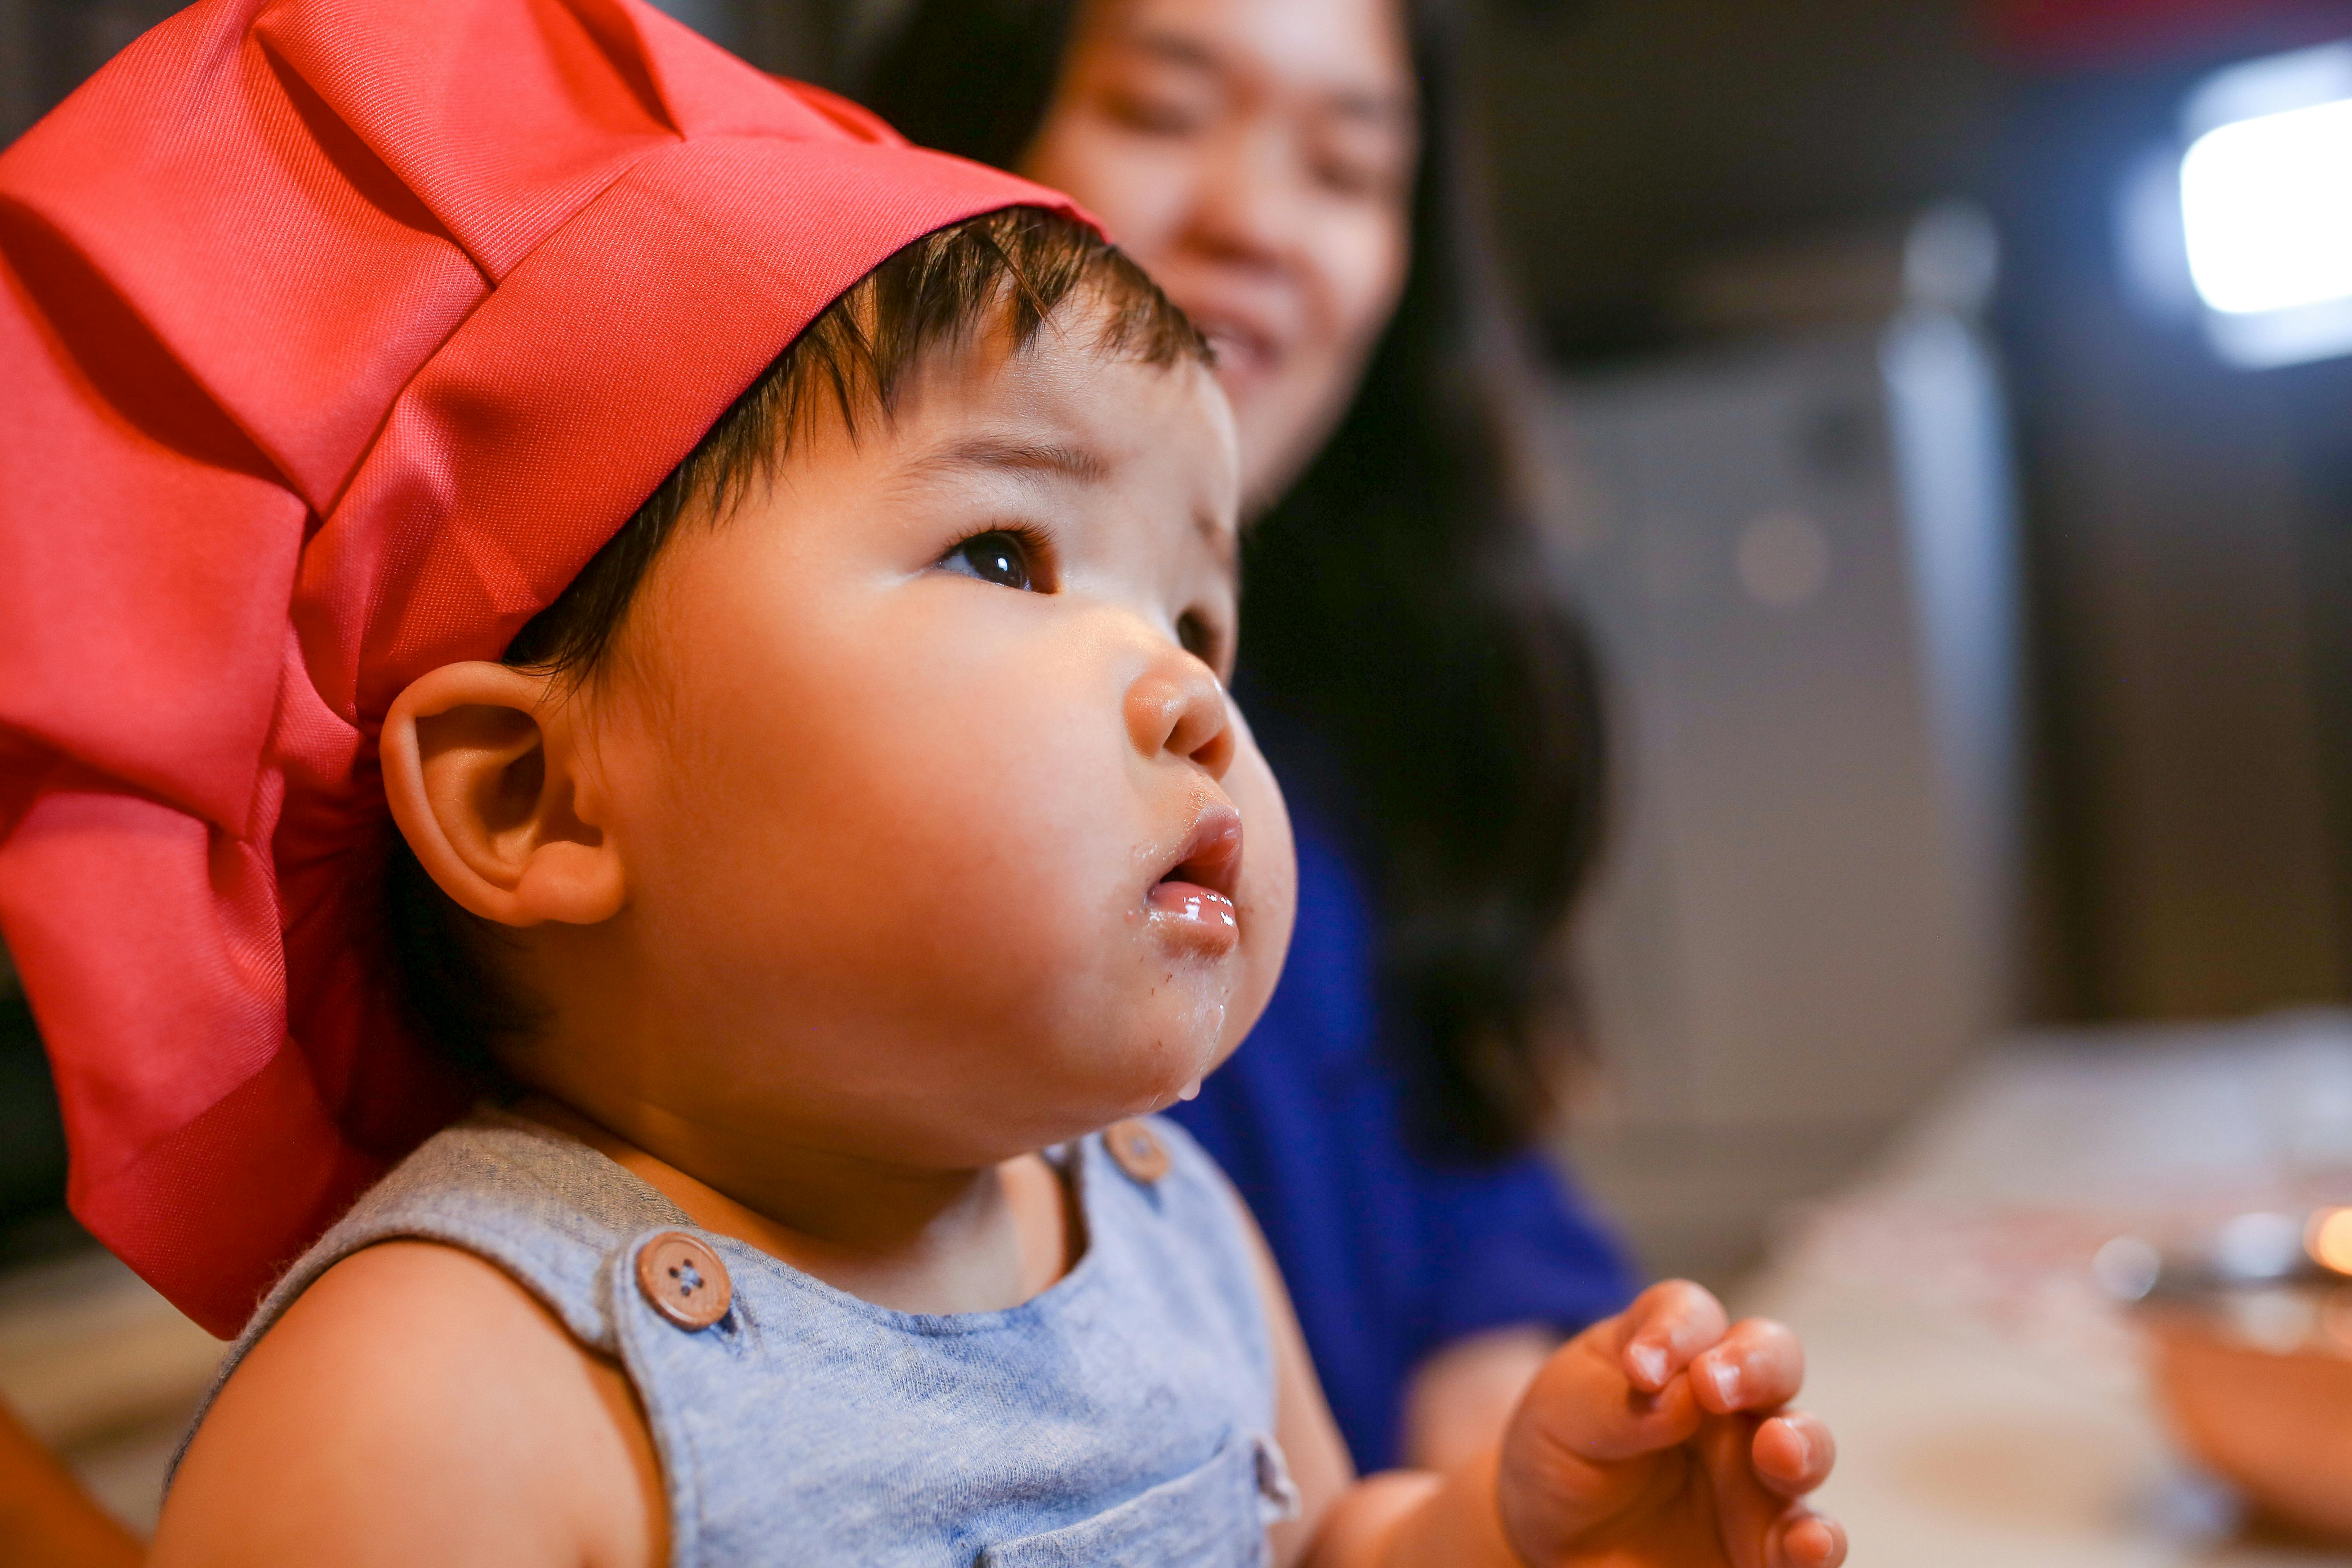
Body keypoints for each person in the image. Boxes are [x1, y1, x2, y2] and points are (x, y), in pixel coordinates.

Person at [0, 0, 1847, 1562]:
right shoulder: (440, 1397)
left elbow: (1315, 1531)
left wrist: (1500, 1534)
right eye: (1005, 558)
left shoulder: (1162, 1219)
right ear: (530, 802)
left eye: (1198, 619)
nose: (1191, 698)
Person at [861, 0, 1635, 1474]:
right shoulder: (851, 754)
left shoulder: (1370, 724)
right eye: (1159, 112)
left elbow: (1475, 1210)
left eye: (1346, 172)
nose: (1261, 223)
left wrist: (1529, 1456)